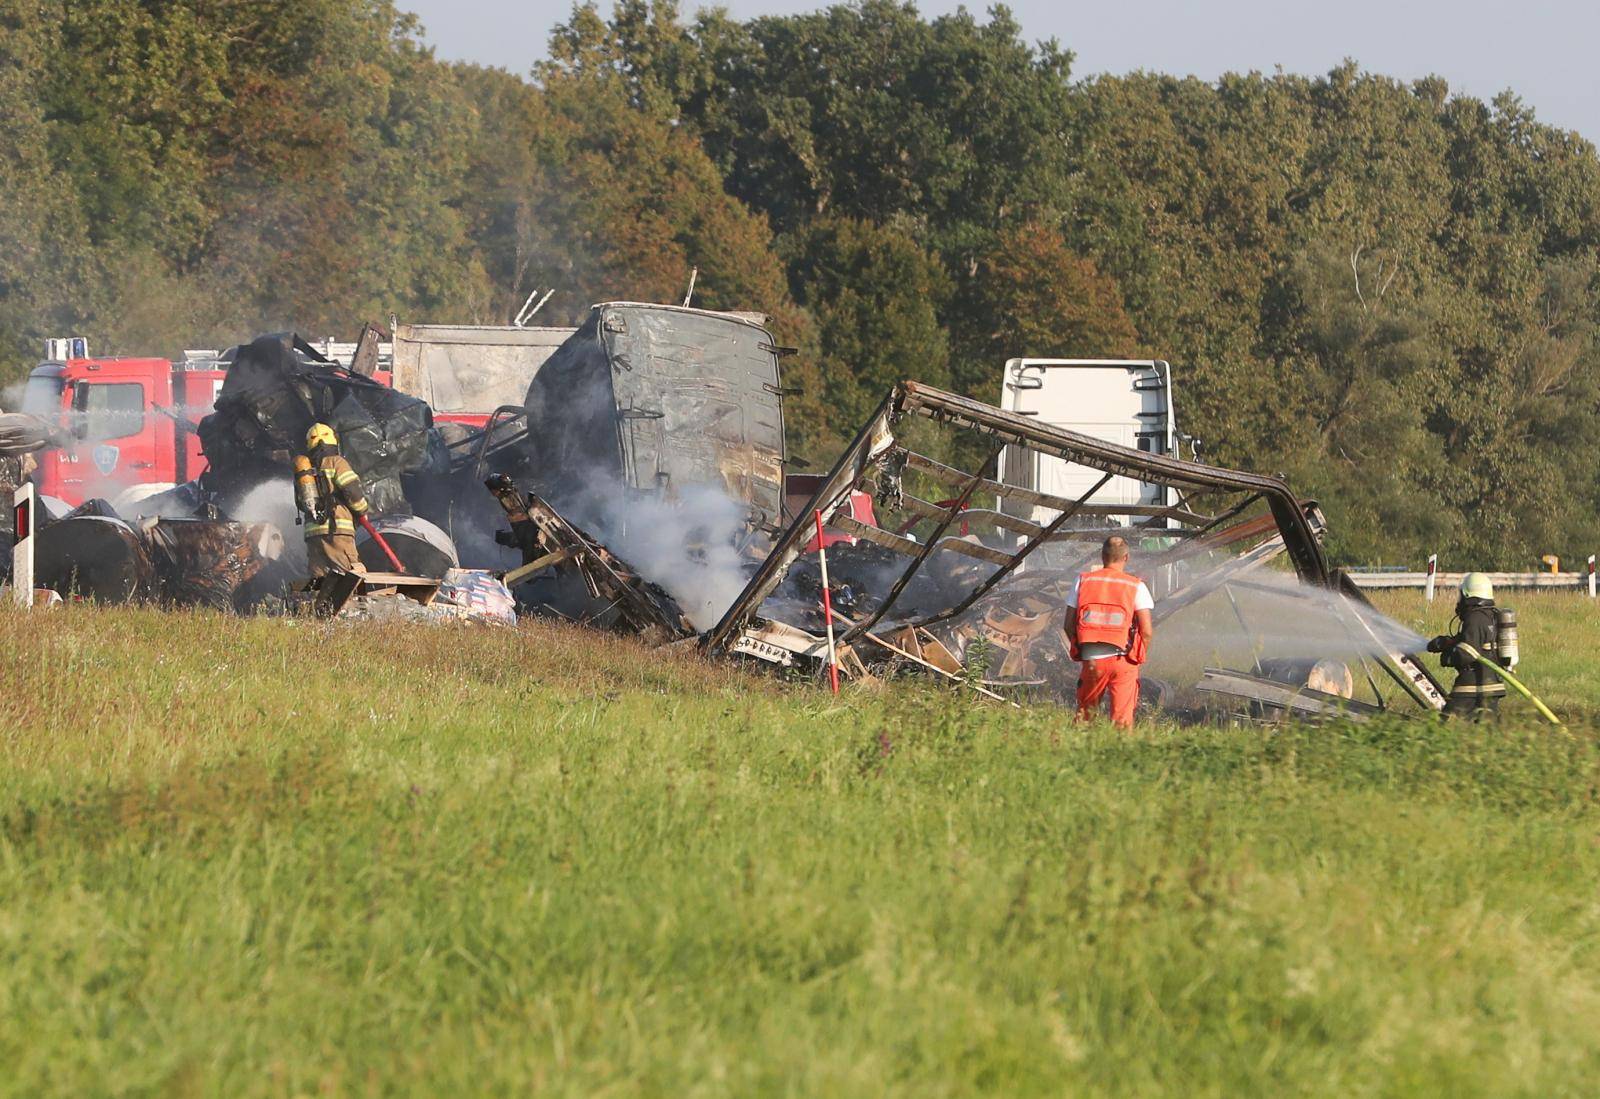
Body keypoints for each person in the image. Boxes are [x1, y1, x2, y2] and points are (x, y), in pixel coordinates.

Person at [1064, 535, 1155, 729]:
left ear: (1101, 556)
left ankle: (1076, 754)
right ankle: (1120, 756)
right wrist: (1136, 656)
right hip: (1123, 661)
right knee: (1122, 723)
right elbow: (1146, 631)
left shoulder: (1083, 581)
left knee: (1084, 718)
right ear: (1126, 557)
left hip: (1092, 660)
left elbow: (1068, 625)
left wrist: (1081, 649)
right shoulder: (1135, 585)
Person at [294, 423, 370, 579]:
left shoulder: (305, 469)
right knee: (350, 575)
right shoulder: (337, 462)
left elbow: (301, 503)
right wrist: (362, 511)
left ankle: (319, 604)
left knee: (319, 579)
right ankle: (355, 603)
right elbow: (353, 492)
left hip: (313, 534)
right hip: (337, 530)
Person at [1426, 572, 1506, 719]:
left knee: (1447, 724)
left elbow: (1467, 652)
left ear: (1468, 596)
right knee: (1485, 729)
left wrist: (1448, 657)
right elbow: (1474, 641)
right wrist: (1446, 642)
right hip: (1492, 684)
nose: (1460, 600)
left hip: (1472, 685)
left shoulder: (1474, 617)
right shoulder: (1491, 616)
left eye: (1462, 596)